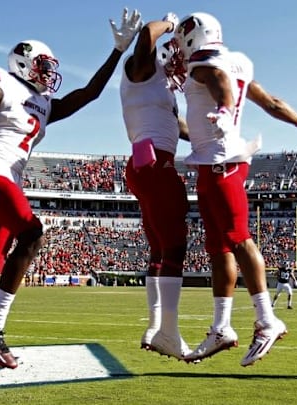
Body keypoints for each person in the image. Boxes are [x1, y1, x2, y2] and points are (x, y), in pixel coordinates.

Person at [0, 9, 142, 405]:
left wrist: (117, 52)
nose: (48, 74)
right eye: (42, 66)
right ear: (23, 62)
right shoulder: (1, 85)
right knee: (33, 232)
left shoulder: (41, 104)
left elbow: (87, 94)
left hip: (7, 185)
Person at [172, 12, 297, 367]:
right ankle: (221, 326)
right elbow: (270, 101)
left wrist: (225, 109)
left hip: (221, 163)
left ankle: (266, 319)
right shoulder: (239, 61)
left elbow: (218, 81)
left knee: (239, 239)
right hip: (215, 160)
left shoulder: (205, 63)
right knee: (218, 248)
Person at [119, 13, 191, 360]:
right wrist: (169, 24)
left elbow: (182, 128)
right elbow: (147, 34)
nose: (179, 63)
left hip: (146, 163)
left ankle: (154, 326)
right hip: (153, 162)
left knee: (160, 252)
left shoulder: (162, 91)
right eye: (174, 55)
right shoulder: (141, 71)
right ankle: (169, 333)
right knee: (176, 248)